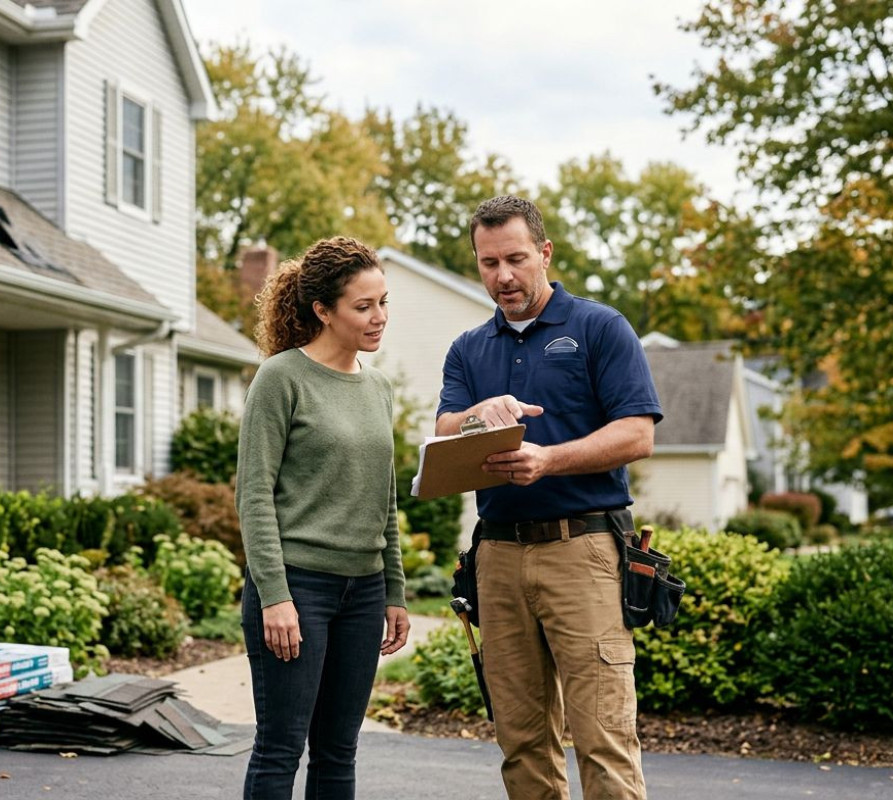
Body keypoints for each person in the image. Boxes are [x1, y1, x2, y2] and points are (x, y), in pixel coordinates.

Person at [436, 196, 662, 800]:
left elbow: (638, 433)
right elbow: (443, 429)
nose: (502, 276)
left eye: (514, 259)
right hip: (499, 559)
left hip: (582, 551)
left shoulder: (598, 327)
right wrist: (475, 415)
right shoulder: (468, 348)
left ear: (544, 252)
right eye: (488, 264)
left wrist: (548, 460)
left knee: (603, 737)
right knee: (522, 743)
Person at [236, 236, 411, 799]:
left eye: (383, 302)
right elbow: (254, 495)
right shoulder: (281, 378)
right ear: (322, 311)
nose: (379, 317)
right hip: (297, 588)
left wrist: (394, 590)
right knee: (280, 748)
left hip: (362, 593)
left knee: (339, 752)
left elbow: (382, 499)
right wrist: (275, 596)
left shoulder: (378, 389)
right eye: (363, 306)